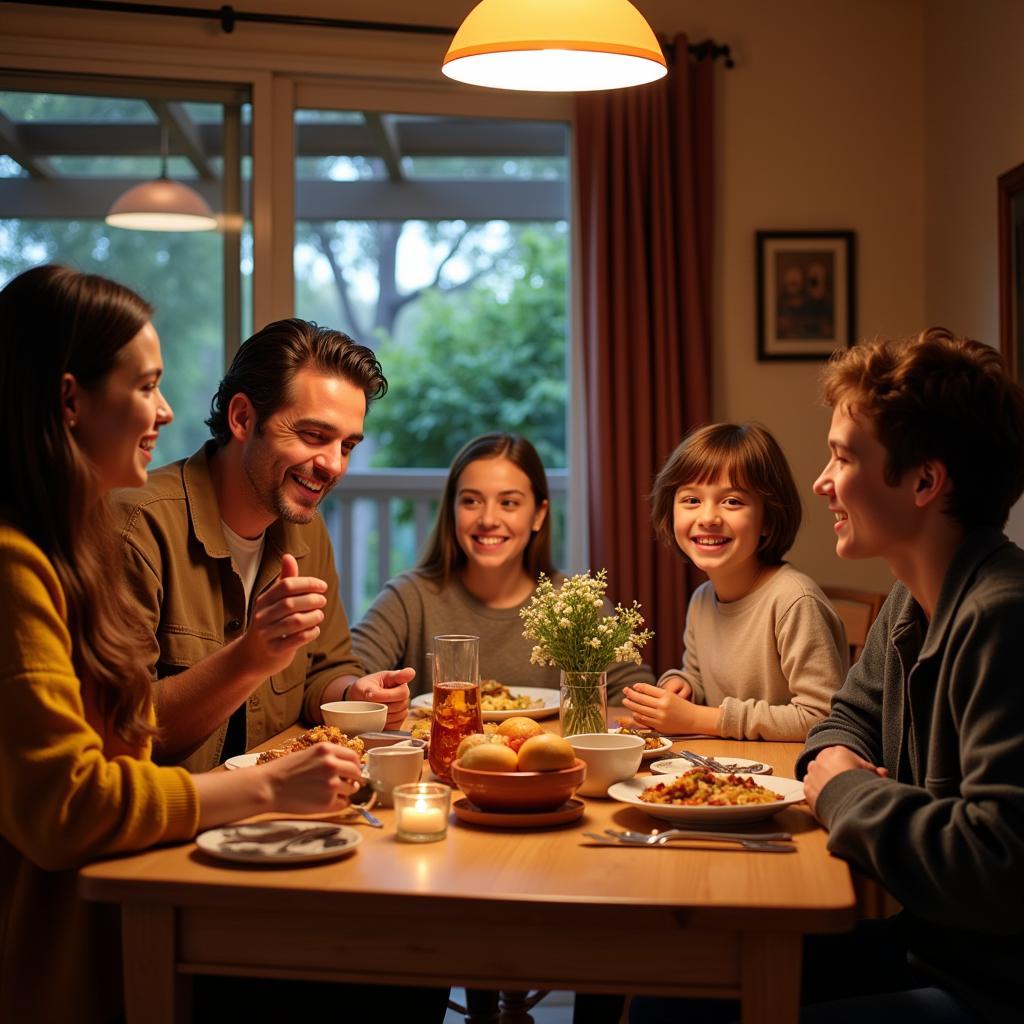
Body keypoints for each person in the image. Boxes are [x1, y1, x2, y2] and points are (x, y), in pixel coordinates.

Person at [0, 266, 366, 1023]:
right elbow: (71, 803)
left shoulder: (69, 550)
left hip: (150, 892)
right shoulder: (30, 561)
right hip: (72, 949)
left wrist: (347, 694)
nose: (165, 410)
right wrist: (265, 785)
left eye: (349, 444)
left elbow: (120, 741)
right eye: (145, 386)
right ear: (70, 401)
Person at [795, 328, 1024, 1022]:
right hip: (924, 946)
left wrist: (845, 793)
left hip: (988, 991)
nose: (822, 481)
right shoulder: (911, 597)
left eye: (843, 457)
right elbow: (840, 722)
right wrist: (840, 767)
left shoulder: (1001, 618)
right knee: (683, 986)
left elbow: (997, 864)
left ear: (925, 481)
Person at [112, 317, 413, 773]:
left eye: (347, 445)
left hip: (274, 814)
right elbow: (120, 735)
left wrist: (354, 694)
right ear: (242, 418)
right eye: (314, 435)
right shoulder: (136, 528)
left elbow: (324, 673)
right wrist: (250, 656)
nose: (333, 465)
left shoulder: (306, 530)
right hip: (166, 826)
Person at [352, 432, 654, 704]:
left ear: (539, 514)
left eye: (508, 503)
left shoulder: (577, 604)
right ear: (452, 510)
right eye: (471, 501)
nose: (488, 519)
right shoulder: (410, 597)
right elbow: (351, 674)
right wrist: (367, 691)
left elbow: (634, 695)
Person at [622, 422, 848, 742]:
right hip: (728, 771)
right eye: (691, 500)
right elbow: (700, 683)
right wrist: (683, 687)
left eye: (732, 502)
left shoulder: (794, 600)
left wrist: (699, 717)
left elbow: (823, 717)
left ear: (768, 518)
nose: (709, 518)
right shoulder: (703, 599)